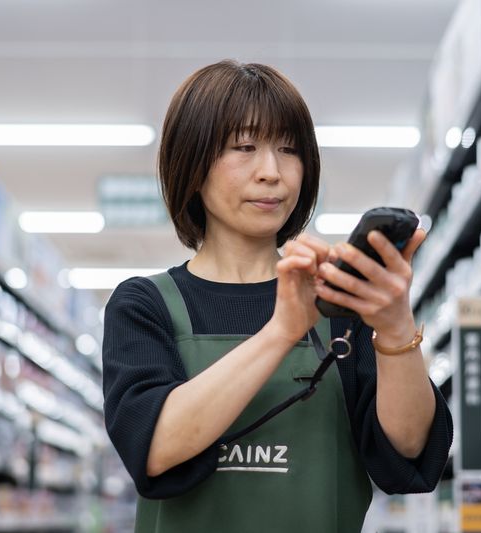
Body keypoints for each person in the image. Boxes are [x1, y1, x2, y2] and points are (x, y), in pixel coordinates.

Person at [102, 60, 453, 533]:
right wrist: (284, 330)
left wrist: (394, 326)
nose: (272, 172)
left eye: (289, 150)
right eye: (243, 147)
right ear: (192, 162)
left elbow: (408, 452)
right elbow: (156, 448)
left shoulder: (339, 305)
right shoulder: (144, 306)